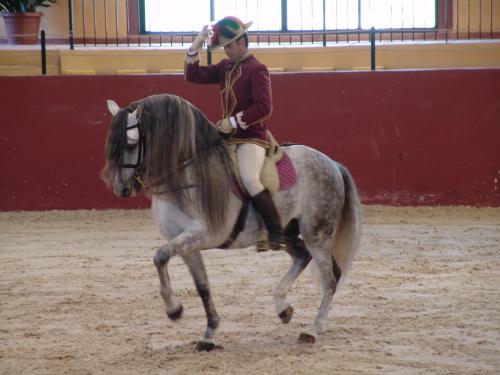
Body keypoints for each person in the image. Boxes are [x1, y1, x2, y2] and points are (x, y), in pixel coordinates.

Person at [184, 16, 286, 250]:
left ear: (241, 41)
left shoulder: (257, 69)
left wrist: (233, 121)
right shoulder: (225, 67)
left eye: (229, 46)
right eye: (224, 47)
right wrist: (196, 44)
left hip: (252, 136)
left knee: (250, 179)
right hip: (227, 135)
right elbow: (192, 75)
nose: (226, 51)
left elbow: (264, 107)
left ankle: (275, 231)